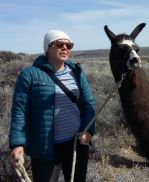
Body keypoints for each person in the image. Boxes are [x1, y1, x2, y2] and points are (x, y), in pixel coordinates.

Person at [9, 30, 96, 182]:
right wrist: (17, 144)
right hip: (45, 148)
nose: (65, 48)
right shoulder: (30, 75)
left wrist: (88, 131)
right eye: (59, 44)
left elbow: (89, 103)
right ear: (47, 48)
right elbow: (19, 111)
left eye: (68, 45)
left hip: (76, 144)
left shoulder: (76, 72)